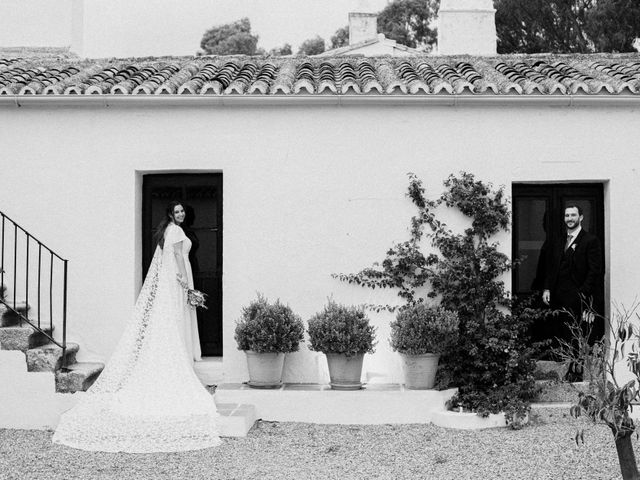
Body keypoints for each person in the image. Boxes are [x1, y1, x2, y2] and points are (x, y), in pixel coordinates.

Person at [52, 201, 220, 452]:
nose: (181, 214)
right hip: (178, 279)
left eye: (182, 211)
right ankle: (179, 362)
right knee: (175, 320)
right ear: (170, 215)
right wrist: (186, 281)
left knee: (173, 321)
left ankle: (180, 358)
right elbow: (176, 256)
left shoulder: (170, 230)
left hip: (174, 279)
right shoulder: (174, 231)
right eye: (177, 211)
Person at [542, 204, 604, 378]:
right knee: (563, 332)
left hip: (578, 297)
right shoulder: (559, 240)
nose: (569, 218)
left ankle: (577, 370)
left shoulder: (590, 241)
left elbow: (595, 271)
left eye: (573, 215)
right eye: (567, 215)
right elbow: (551, 266)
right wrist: (547, 288)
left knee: (578, 333)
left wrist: (583, 293)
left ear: (581, 217)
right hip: (558, 296)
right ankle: (562, 369)